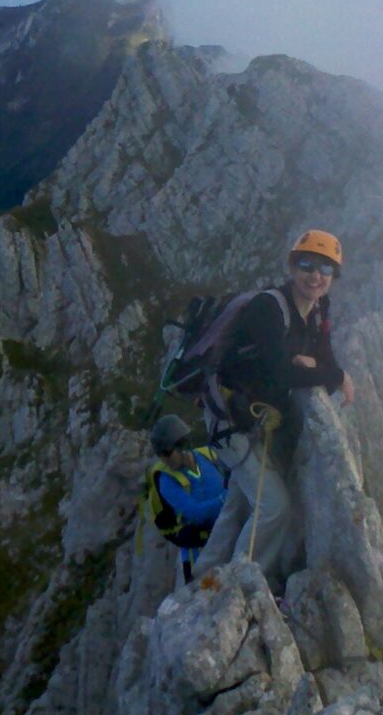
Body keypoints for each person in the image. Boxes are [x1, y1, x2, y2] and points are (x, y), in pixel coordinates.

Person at [202, 228, 354, 579]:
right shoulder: (267, 307)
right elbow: (281, 374)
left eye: (326, 268)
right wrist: (335, 376)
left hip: (254, 416)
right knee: (273, 506)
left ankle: (203, 577)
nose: (315, 275)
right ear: (291, 266)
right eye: (307, 263)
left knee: (238, 502)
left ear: (333, 277)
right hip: (228, 416)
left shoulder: (317, 311)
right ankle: (238, 587)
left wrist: (322, 367)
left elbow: (322, 359)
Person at [144, 414, 227, 584]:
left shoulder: (208, 456)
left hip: (226, 535)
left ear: (182, 444)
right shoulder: (166, 480)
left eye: (167, 452)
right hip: (198, 552)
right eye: (160, 454)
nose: (163, 459)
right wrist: (226, 499)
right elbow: (194, 513)